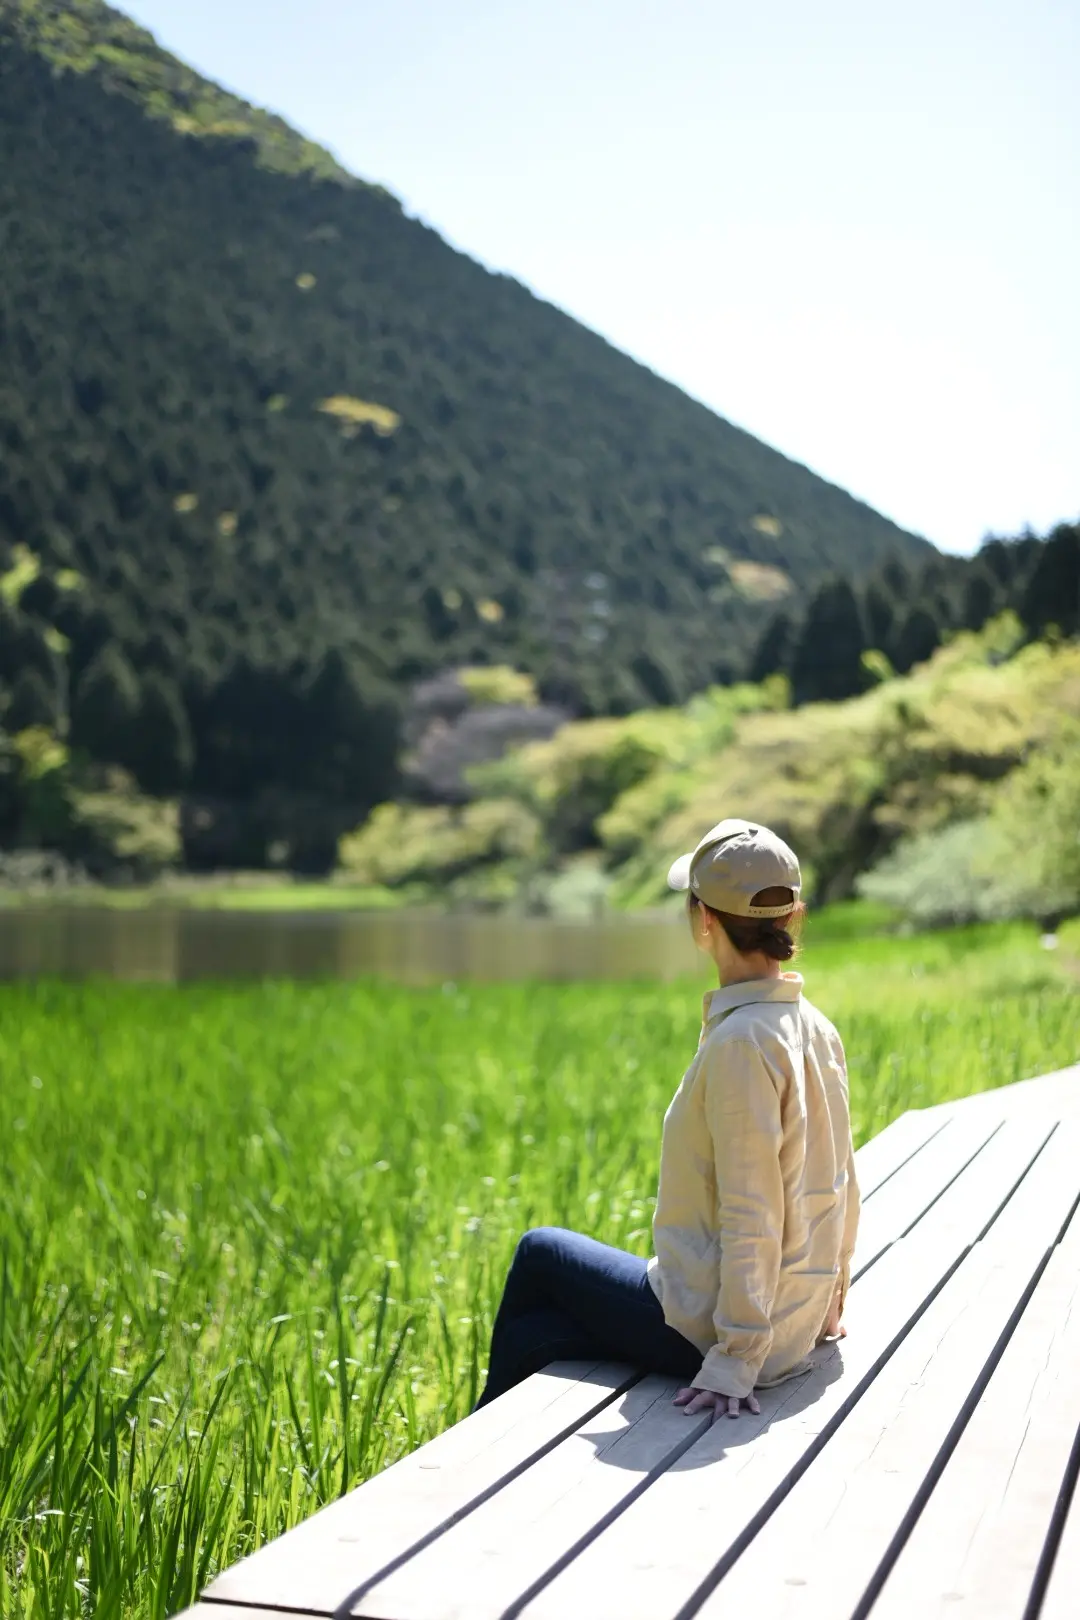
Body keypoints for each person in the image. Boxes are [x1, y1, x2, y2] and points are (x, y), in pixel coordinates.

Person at [473, 818, 860, 1421]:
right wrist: (830, 1303)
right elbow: (841, 1182)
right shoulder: (812, 1025)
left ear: (704, 919)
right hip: (795, 1320)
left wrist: (735, 1360)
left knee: (540, 1251)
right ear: (792, 916)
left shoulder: (742, 1043)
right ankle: (484, 1447)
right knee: (536, 1331)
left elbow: (752, 1210)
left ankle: (468, 1466)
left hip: (733, 1337)